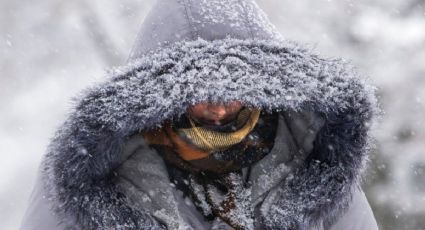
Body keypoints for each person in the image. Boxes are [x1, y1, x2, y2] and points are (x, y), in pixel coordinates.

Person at [20, 0, 380, 229]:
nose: (221, 108)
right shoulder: (89, 173)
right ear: (165, 98)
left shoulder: (309, 159)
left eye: (236, 92)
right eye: (203, 96)